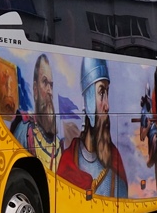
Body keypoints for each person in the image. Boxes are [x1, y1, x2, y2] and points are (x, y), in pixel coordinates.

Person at [59, 57, 128, 198]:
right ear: (88, 100)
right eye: (102, 93)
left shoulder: (115, 161)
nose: (107, 106)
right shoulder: (68, 161)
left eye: (107, 93)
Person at [10, 54, 62, 172]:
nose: (50, 91)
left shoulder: (58, 144)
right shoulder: (24, 131)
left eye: (51, 85)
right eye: (45, 82)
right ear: (35, 89)